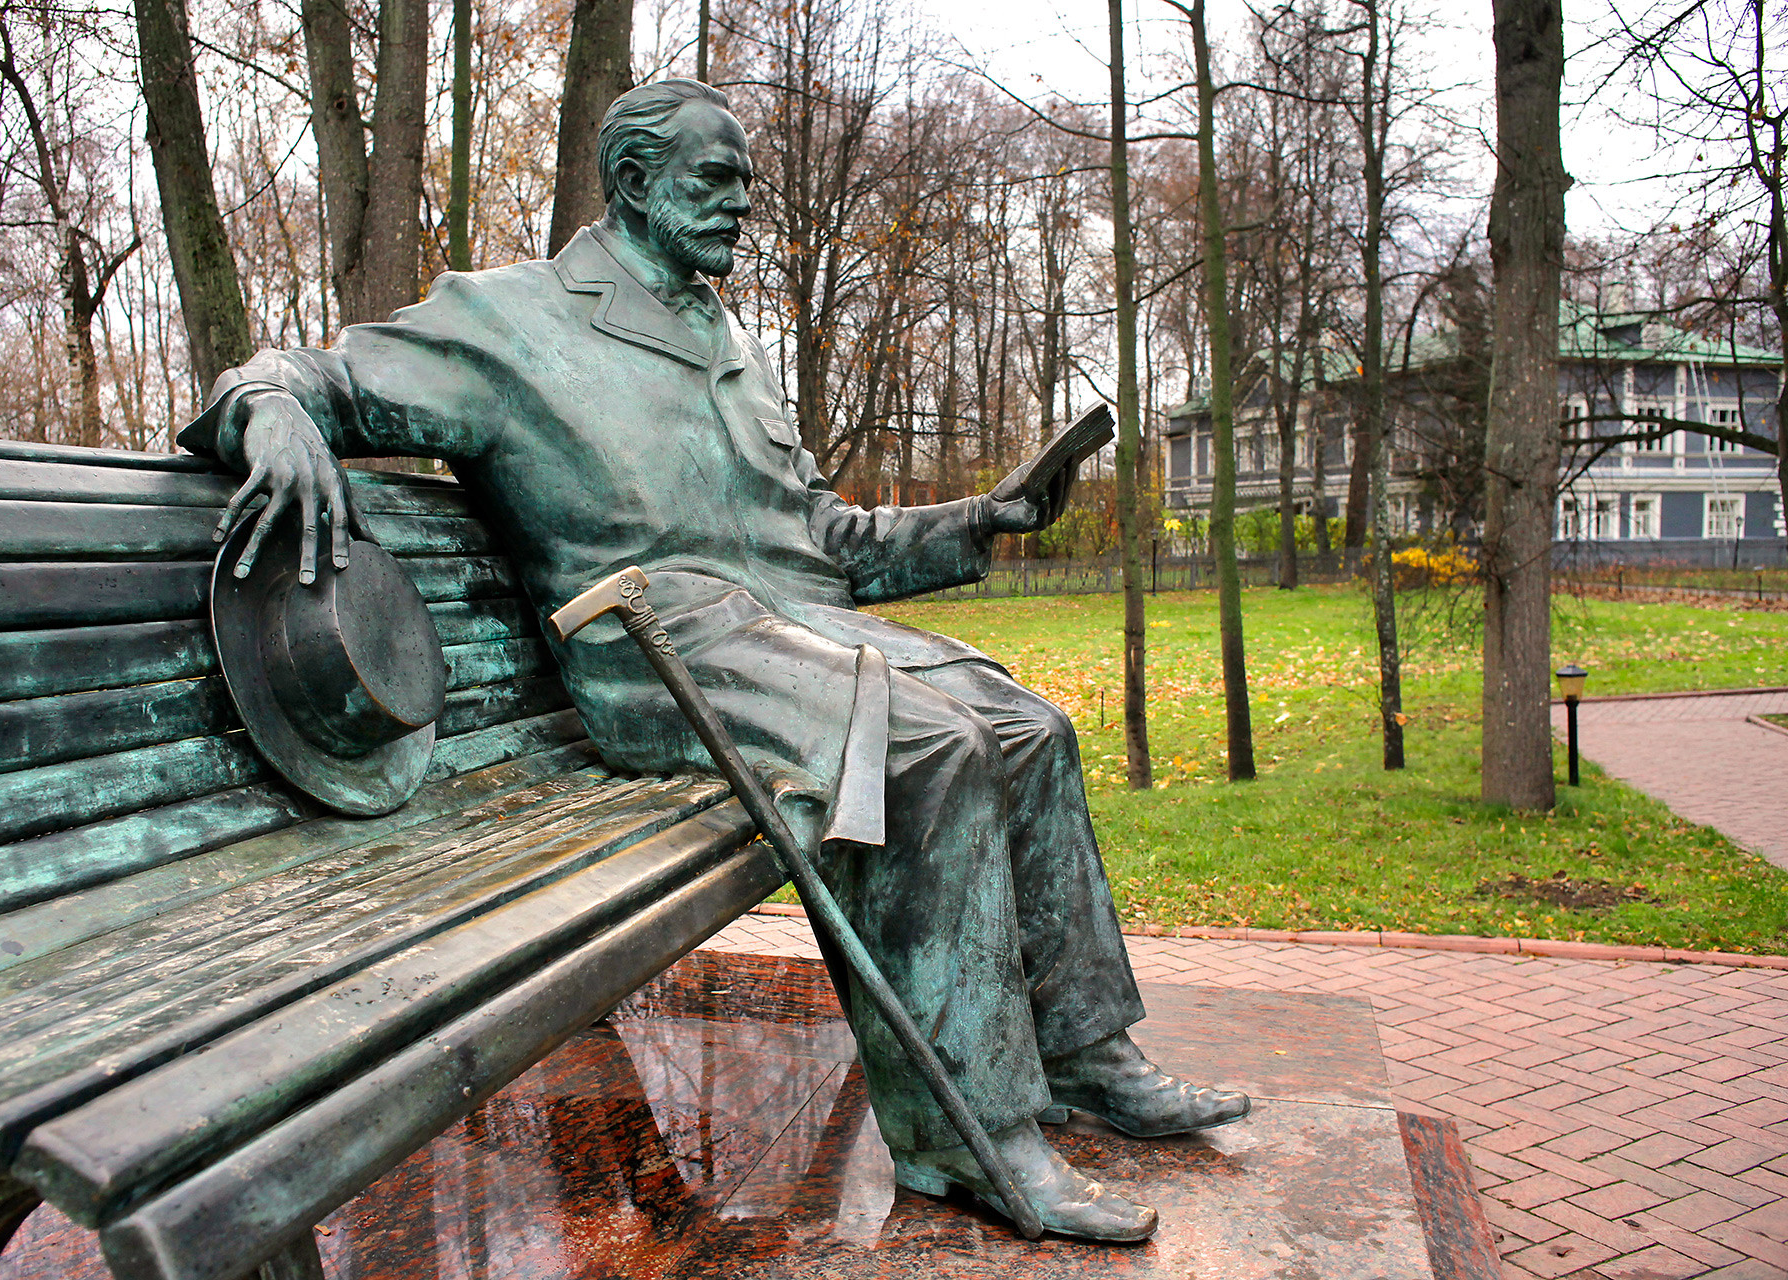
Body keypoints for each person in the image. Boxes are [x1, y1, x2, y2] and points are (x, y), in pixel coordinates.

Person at [182, 77, 1247, 1243]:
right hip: (658, 648)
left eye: (745, 183)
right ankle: (973, 1138)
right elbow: (306, 377)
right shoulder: (511, 319)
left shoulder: (725, 337)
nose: (742, 204)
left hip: (795, 631)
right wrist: (271, 416)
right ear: (633, 183)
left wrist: (977, 519)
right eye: (715, 180)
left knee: (1031, 725)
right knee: (928, 750)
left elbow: (820, 540)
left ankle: (1087, 1049)